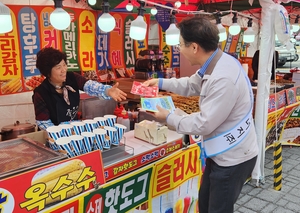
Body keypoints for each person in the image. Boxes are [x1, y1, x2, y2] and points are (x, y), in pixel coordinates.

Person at [143, 17, 258, 213]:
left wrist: (168, 118)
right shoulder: (217, 62)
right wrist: (160, 83)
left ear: (194, 47)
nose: (178, 48)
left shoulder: (223, 78)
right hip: (220, 151)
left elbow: (205, 124)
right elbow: (191, 84)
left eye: (180, 44)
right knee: (204, 205)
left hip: (233, 158)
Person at [32, 47, 127, 130]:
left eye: (64, 65)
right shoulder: (41, 93)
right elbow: (44, 123)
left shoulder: (72, 77)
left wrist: (107, 91)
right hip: (57, 138)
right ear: (48, 72)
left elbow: (90, 86)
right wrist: (61, 134)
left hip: (75, 131)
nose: (63, 70)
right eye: (58, 67)